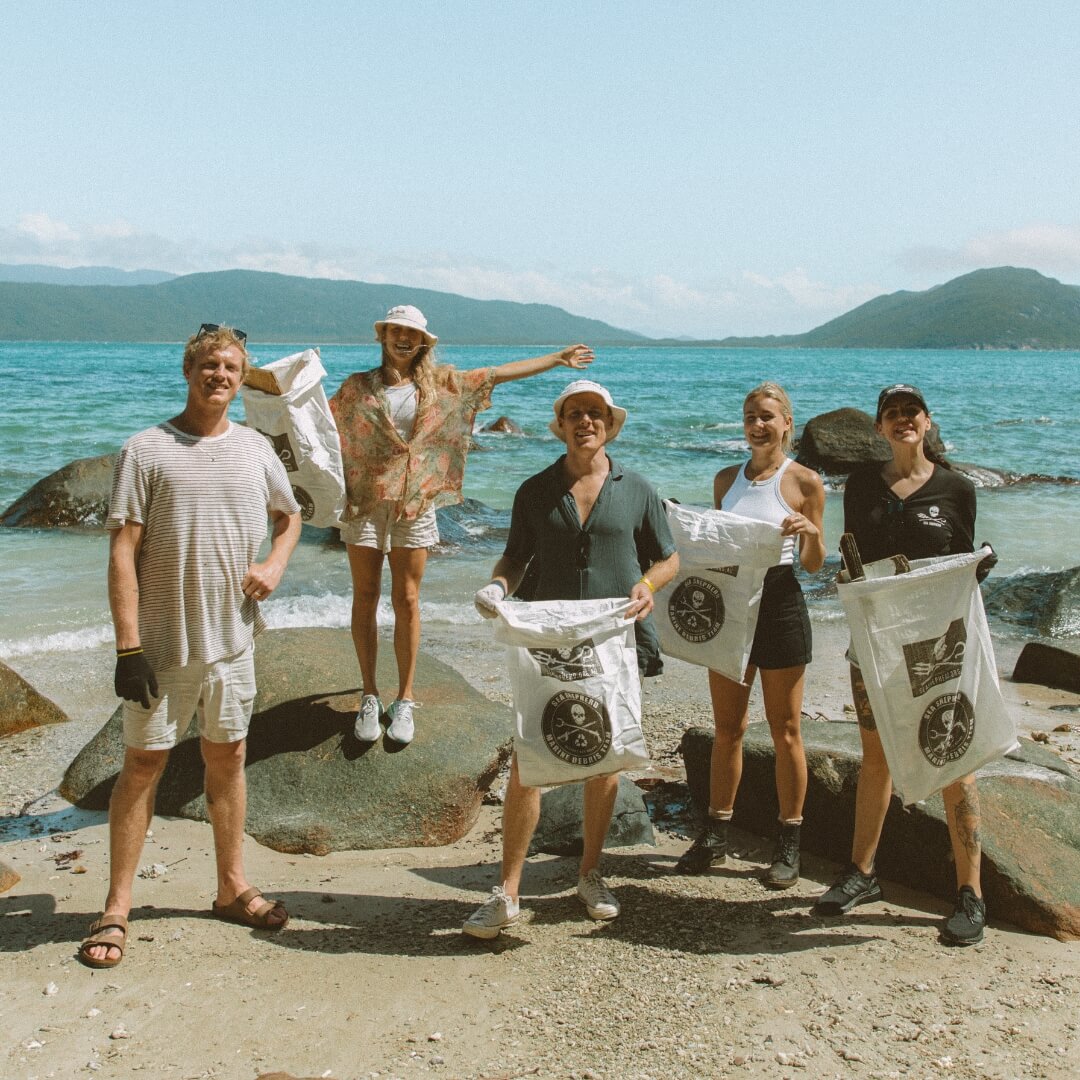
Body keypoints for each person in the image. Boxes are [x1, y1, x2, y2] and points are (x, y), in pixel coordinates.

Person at [79, 325, 302, 968]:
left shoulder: (256, 448)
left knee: (227, 758)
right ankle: (116, 906)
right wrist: (128, 648)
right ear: (188, 371)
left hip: (233, 640)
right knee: (142, 765)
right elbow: (122, 552)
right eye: (209, 364)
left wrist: (275, 564)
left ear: (241, 377)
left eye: (231, 366)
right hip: (162, 645)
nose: (219, 375)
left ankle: (231, 888)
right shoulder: (145, 449)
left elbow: (291, 516)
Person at [464, 379, 679, 938]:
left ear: (609, 424)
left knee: (604, 757)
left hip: (615, 640)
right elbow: (514, 558)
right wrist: (497, 589)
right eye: (575, 413)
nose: (586, 421)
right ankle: (507, 891)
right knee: (529, 759)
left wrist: (647, 586)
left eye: (596, 413)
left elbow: (668, 558)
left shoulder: (638, 489)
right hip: (548, 643)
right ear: (560, 425)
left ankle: (590, 874)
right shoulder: (535, 491)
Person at [329, 305, 593, 747]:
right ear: (383, 336)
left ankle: (405, 698)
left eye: (412, 333)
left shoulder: (443, 384)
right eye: (396, 331)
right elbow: (322, 425)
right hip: (367, 500)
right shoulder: (357, 387)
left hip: (416, 502)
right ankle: (370, 695)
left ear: (423, 342)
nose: (403, 339)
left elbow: (496, 375)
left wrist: (556, 359)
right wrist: (268, 389)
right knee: (366, 595)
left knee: (407, 598)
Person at [814, 383, 989, 946]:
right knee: (876, 756)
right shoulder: (863, 485)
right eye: (891, 413)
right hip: (876, 641)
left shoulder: (957, 488)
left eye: (911, 411)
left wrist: (978, 569)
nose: (902, 419)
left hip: (939, 644)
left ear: (927, 421)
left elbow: (962, 565)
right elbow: (853, 558)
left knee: (954, 756)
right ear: (879, 427)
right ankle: (862, 873)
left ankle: (971, 893)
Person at [675, 383, 826, 887]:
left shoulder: (804, 481)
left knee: (786, 730)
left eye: (766, 417)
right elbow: (715, 547)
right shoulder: (726, 479)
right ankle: (715, 835)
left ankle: (790, 841)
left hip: (780, 604)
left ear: (787, 423)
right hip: (731, 604)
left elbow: (814, 564)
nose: (757, 426)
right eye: (749, 417)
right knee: (727, 728)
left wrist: (811, 533)